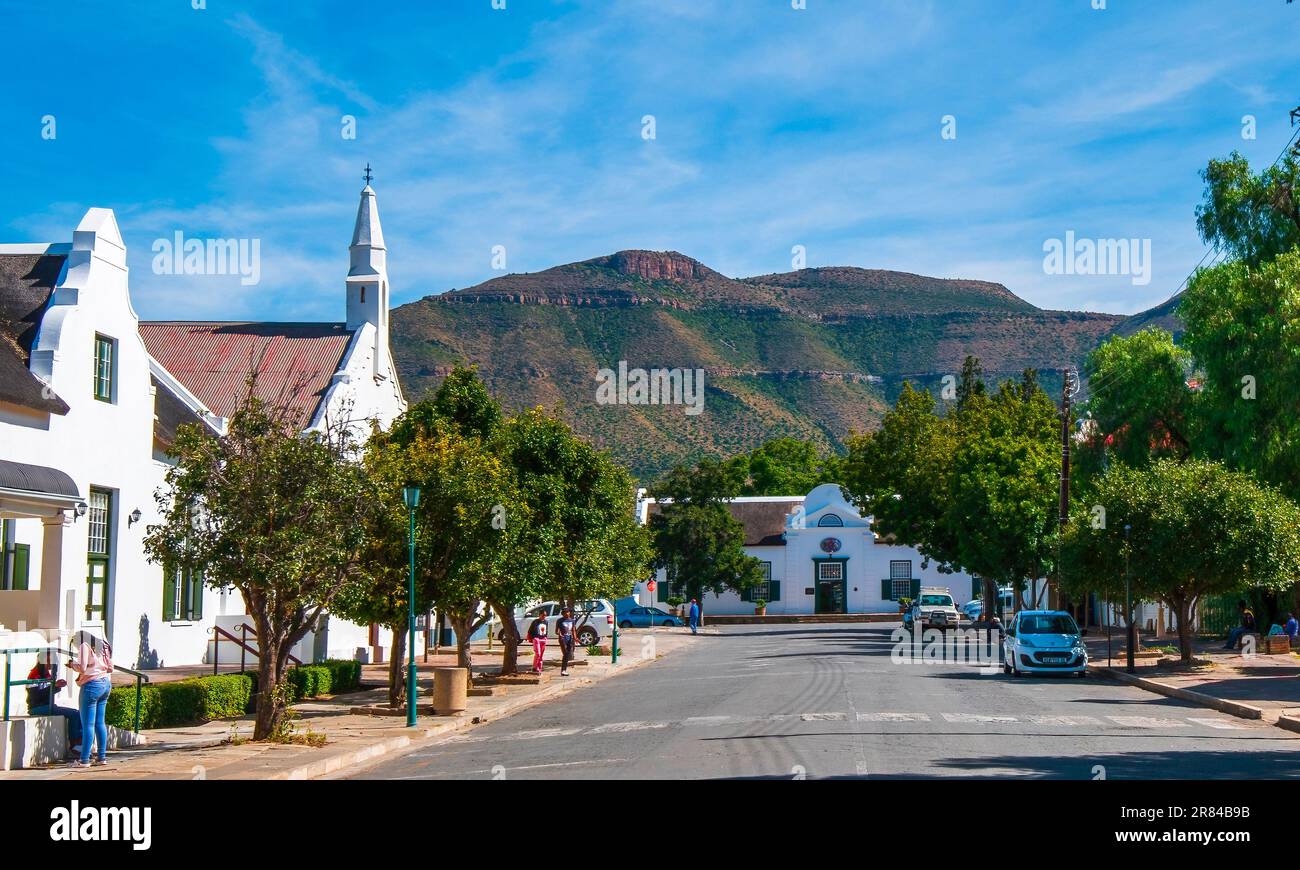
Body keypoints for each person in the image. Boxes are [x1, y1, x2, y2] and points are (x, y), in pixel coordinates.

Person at [67, 631, 113, 768]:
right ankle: (102, 757)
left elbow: (82, 667)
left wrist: (71, 665)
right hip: (105, 683)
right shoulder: (103, 645)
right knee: (100, 723)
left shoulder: (84, 646)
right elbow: (111, 667)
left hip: (91, 685)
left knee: (88, 724)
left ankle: (84, 759)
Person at [26, 654, 82, 757]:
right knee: (74, 714)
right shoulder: (34, 675)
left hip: (47, 705)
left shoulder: (46, 675)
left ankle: (79, 743)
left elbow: (47, 693)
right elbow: (36, 696)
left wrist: (56, 686)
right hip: (37, 707)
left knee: (77, 713)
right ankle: (75, 745)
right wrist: (53, 686)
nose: (52, 664)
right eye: (50, 661)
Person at [526, 609, 549, 675]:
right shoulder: (535, 622)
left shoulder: (546, 622)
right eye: (543, 615)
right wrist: (529, 638)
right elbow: (530, 630)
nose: (544, 616)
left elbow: (546, 630)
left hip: (543, 638)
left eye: (545, 615)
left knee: (541, 654)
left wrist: (545, 637)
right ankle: (534, 667)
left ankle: (539, 668)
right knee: (538, 653)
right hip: (536, 638)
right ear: (540, 615)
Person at [555, 607, 576, 677]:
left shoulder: (572, 620)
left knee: (567, 654)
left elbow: (573, 630)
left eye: (568, 612)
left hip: (570, 639)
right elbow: (556, 631)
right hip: (562, 639)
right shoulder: (559, 620)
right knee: (565, 653)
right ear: (562, 614)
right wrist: (559, 634)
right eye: (565, 613)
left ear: (569, 613)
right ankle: (563, 670)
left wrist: (575, 638)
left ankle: (564, 670)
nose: (567, 613)